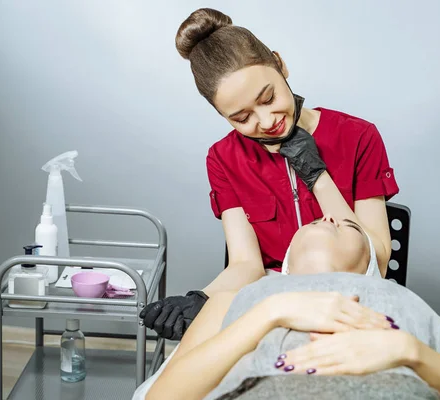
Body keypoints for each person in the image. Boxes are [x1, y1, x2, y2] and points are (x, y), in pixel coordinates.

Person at [140, 7, 400, 340]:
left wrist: (316, 175)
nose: (265, 121)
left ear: (280, 64)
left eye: (269, 97)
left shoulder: (358, 136)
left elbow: (377, 255)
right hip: (271, 303)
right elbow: (246, 264)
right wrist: (200, 299)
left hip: (353, 297)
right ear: (222, 115)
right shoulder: (223, 158)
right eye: (241, 118)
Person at [140, 216, 440, 400]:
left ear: (370, 266)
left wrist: (412, 352)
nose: (329, 218)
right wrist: (270, 312)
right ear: (286, 262)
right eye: (315, 220)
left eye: (350, 224)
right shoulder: (237, 300)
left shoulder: (409, 302)